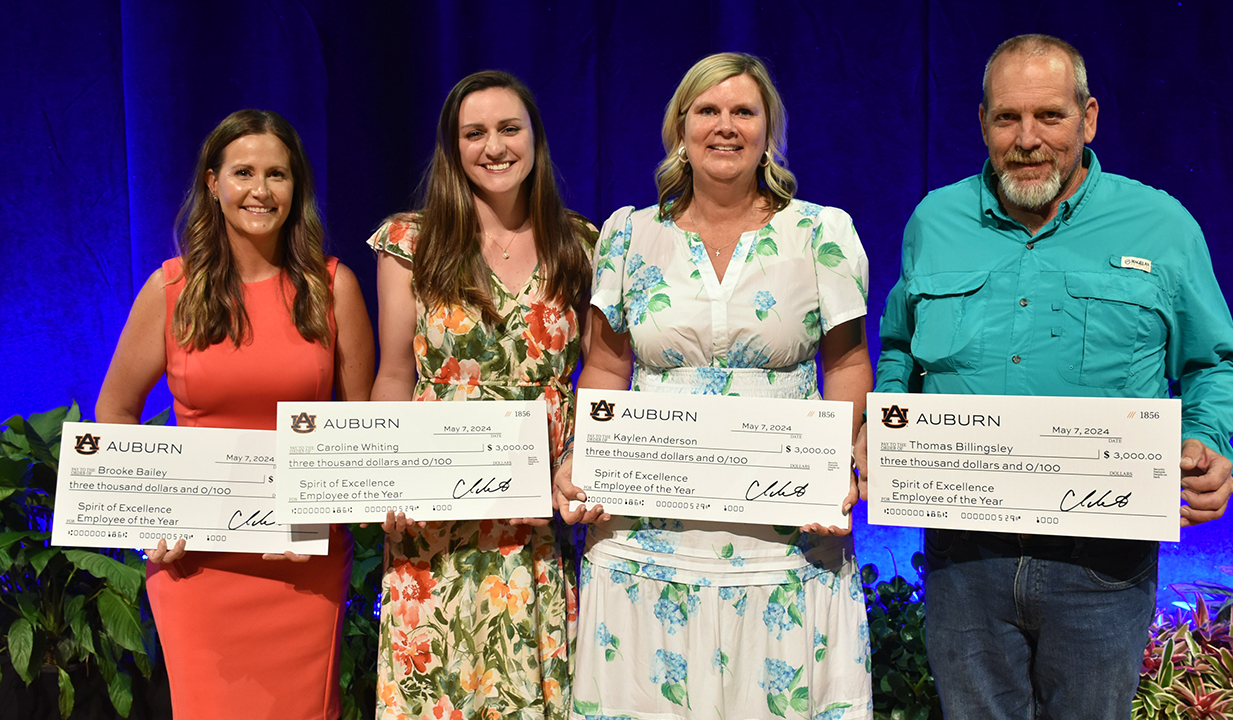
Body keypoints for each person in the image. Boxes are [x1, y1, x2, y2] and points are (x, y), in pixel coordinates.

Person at [865, 34, 1233, 720]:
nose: (1027, 139)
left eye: (1050, 116)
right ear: (982, 121)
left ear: (1089, 118)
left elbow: (1215, 360)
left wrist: (1208, 442)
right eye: (1008, 118)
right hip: (964, 555)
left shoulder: (1161, 226)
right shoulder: (935, 220)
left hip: (1102, 562)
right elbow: (898, 349)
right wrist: (884, 418)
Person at [563, 52, 873, 720]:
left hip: (784, 538)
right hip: (645, 537)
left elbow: (846, 365)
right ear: (681, 126)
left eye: (743, 112)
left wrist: (840, 463)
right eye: (708, 110)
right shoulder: (627, 234)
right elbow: (607, 367)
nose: (724, 126)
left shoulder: (822, 232)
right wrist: (580, 460)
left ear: (769, 131)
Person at [95, 109, 374, 719]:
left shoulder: (334, 289)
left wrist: (328, 508)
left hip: (304, 565)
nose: (260, 190)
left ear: (296, 188)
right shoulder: (170, 291)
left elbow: (366, 432)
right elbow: (114, 408)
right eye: (243, 172)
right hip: (197, 568)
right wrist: (147, 516)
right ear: (212, 182)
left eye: (278, 174)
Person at [368, 70, 595, 719]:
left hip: (534, 534)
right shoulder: (409, 244)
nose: (493, 146)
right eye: (475, 133)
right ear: (453, 147)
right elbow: (391, 376)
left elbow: (601, 375)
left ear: (535, 140)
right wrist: (387, 476)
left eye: (508, 128)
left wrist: (574, 461)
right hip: (432, 533)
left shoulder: (580, 245)